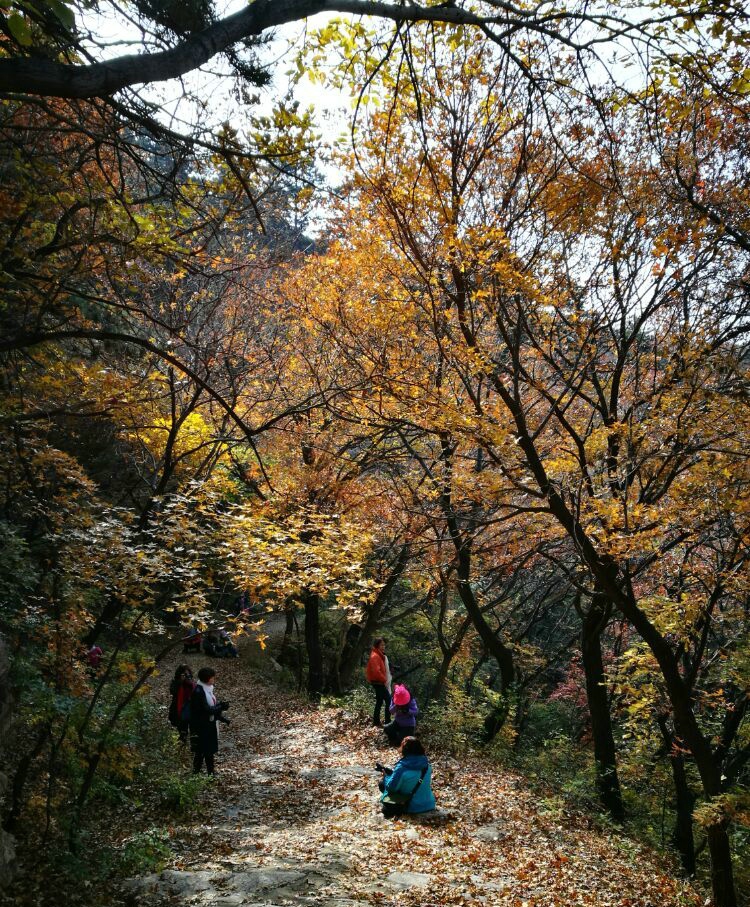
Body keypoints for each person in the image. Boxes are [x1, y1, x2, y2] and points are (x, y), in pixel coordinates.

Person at [376, 736, 436, 816]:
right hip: (430, 804)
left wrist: (385, 777)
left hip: (412, 806)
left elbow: (391, 788)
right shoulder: (427, 765)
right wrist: (393, 773)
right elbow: (413, 778)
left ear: (405, 750)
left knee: (382, 784)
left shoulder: (402, 767)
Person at [189, 666, 230, 775]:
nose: (214, 679)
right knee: (201, 752)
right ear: (207, 679)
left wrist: (222, 717)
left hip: (209, 724)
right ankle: (196, 774)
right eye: (212, 678)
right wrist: (220, 707)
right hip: (201, 726)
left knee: (209, 751)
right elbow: (206, 710)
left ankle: (210, 774)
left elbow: (212, 707)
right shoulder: (198, 691)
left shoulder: (207, 689)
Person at [365, 638, 390, 726]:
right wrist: (384, 679)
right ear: (377, 646)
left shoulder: (378, 655)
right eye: (381, 645)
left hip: (378, 682)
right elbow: (376, 671)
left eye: (384, 645)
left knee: (379, 701)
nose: (384, 647)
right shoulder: (375, 656)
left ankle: (376, 722)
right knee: (389, 701)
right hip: (378, 682)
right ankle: (388, 722)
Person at [168, 664, 195, 743]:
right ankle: (183, 739)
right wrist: (180, 682)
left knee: (192, 725)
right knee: (181, 726)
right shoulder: (176, 682)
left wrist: (189, 682)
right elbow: (173, 691)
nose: (186, 675)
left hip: (190, 706)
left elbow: (194, 691)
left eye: (188, 674)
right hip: (179, 707)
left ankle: (193, 742)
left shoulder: (191, 682)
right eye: (184, 674)